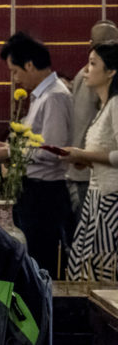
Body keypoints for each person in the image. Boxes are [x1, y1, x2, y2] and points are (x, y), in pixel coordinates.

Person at [0, 31, 73, 277]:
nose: (15, 79)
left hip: (45, 193)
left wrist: (11, 152)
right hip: (35, 190)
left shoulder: (55, 96)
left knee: (42, 261)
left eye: (15, 71)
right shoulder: (43, 95)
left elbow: (53, 149)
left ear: (29, 65)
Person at [63, 41, 118, 281]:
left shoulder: (116, 104)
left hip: (110, 202)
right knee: (89, 273)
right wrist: (84, 160)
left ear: (111, 71)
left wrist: (83, 155)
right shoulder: (104, 107)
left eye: (93, 64)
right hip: (97, 200)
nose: (86, 70)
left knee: (104, 277)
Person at [68, 20, 118, 225]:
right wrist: (80, 156)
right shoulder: (89, 79)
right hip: (88, 179)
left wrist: (81, 155)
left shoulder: (112, 101)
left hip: (105, 189)